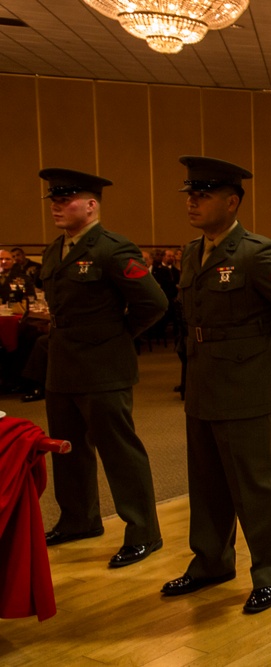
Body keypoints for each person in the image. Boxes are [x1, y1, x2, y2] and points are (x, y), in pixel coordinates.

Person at [159, 156, 271, 614]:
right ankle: (211, 562)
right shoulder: (192, 252)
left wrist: (264, 356)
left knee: (256, 486)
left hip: (248, 388)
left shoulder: (255, 253)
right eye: (190, 193)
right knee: (206, 483)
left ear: (231, 202)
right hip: (204, 384)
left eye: (202, 194)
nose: (191, 201)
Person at [36, 168, 168, 567]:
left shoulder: (112, 249)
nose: (57, 206)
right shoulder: (54, 250)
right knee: (67, 449)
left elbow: (154, 303)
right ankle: (79, 519)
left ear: (91, 206)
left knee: (119, 451)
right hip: (62, 364)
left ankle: (144, 531)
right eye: (54, 199)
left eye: (66, 199)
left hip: (103, 365)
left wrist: (116, 335)